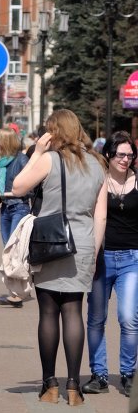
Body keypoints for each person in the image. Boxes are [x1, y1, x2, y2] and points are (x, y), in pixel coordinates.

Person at [11, 109, 107, 405]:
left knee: (49, 312)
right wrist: (93, 253)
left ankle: (50, 384)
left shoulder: (50, 160)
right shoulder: (98, 164)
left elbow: (17, 187)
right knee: (73, 311)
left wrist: (37, 152)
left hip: (51, 240)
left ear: (54, 132)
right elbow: (101, 215)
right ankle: (75, 386)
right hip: (84, 243)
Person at [83, 131, 138, 397]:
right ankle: (99, 375)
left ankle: (128, 374)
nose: (125, 159)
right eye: (121, 154)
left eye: (130, 155)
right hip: (101, 258)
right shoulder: (99, 181)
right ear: (109, 155)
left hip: (132, 259)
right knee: (95, 319)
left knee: (129, 318)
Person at [0, 127, 30, 308]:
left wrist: (5, 193)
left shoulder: (22, 160)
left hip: (19, 208)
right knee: (8, 251)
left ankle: (17, 294)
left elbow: (30, 187)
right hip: (6, 208)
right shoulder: (4, 161)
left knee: (15, 252)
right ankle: (14, 292)